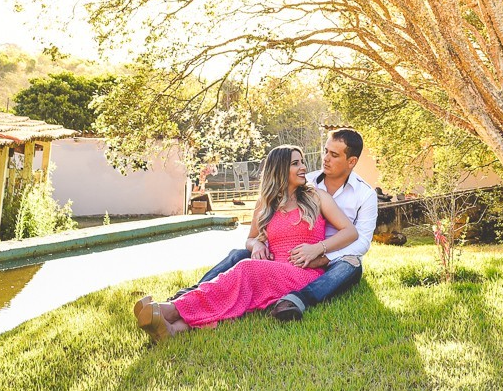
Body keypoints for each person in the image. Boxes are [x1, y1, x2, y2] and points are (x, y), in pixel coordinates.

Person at [133, 144, 358, 344]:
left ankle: (172, 309)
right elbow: (250, 238)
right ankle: (174, 328)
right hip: (270, 270)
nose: (303, 168)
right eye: (295, 163)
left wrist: (319, 248)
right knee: (235, 299)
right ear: (279, 169)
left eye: (302, 163)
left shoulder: (317, 197)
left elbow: (350, 232)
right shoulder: (265, 203)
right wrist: (257, 246)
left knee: (245, 268)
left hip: (303, 273)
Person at [169, 128, 379, 323]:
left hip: (335, 257)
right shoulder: (307, 182)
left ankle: (296, 300)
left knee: (350, 265)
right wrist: (259, 245)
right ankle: (194, 292)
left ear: (351, 162)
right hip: (293, 255)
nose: (325, 158)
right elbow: (272, 218)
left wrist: (321, 255)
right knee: (239, 254)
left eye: (334, 155)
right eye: (326, 151)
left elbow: (361, 242)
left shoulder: (365, 194)